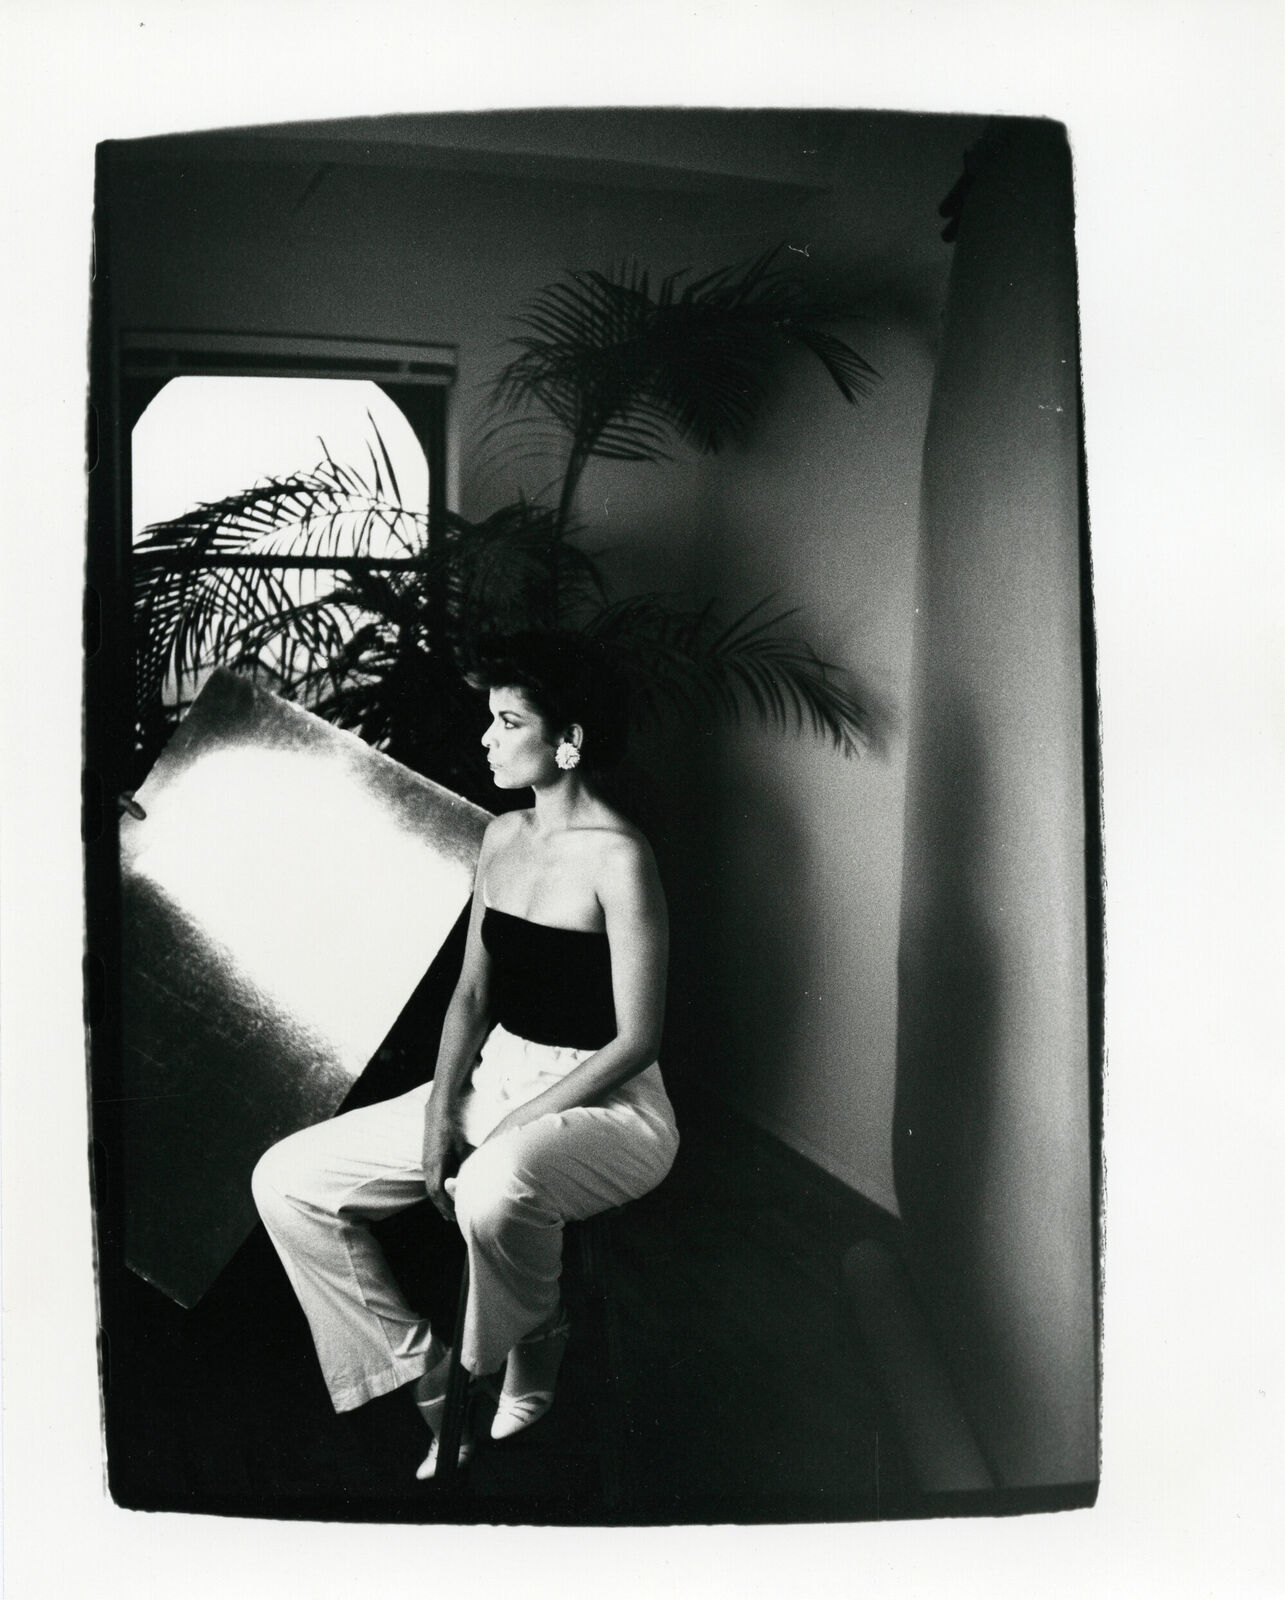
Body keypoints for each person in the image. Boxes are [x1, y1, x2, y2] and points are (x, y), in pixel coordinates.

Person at [251, 633, 680, 1479]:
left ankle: (528, 1336)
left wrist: (511, 1125)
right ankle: (427, 1376)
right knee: (287, 1181)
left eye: (508, 721)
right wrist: (441, 1114)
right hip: (497, 1077)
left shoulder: (621, 859)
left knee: (492, 1185)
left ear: (570, 742)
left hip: (608, 1097)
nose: (486, 739)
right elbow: (473, 996)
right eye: (490, 718)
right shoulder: (499, 836)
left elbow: (638, 1038)